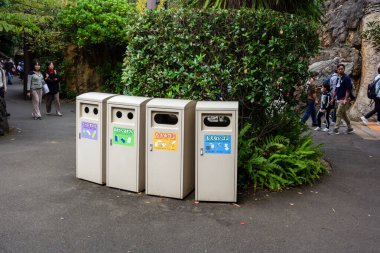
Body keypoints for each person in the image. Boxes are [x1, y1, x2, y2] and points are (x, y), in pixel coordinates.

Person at [329, 64, 354, 134]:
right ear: (337, 70)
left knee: (338, 113)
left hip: (343, 99)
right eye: (339, 69)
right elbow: (336, 89)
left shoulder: (346, 78)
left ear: (344, 69)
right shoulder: (339, 78)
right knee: (343, 115)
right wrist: (332, 98)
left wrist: (346, 99)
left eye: (342, 69)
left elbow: (348, 89)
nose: (340, 70)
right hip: (339, 99)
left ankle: (336, 129)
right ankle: (350, 128)